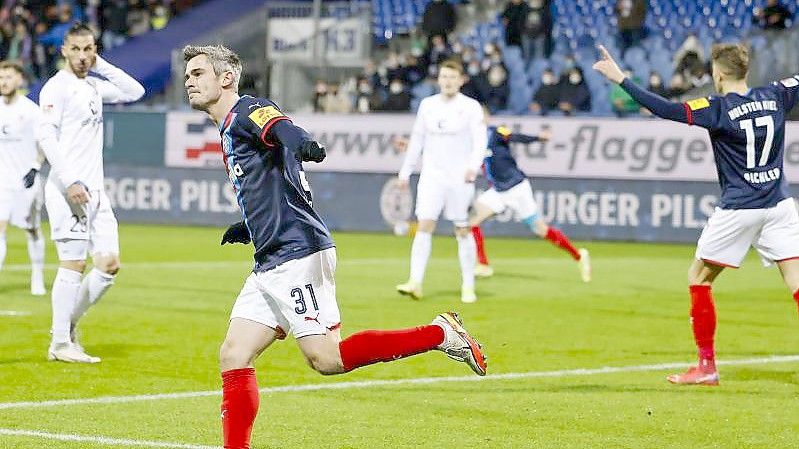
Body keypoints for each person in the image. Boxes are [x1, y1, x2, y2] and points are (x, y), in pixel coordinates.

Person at [182, 44, 487, 449]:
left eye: (198, 73)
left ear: (226, 78)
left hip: (297, 254)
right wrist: (251, 224)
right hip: (271, 254)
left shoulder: (246, 111)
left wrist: (302, 141)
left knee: (327, 359)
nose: (189, 80)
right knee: (233, 354)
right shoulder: (229, 128)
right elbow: (277, 182)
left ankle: (440, 333)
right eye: (187, 74)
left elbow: (279, 127)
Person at [593, 43, 799, 386]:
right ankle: (706, 368)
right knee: (796, 281)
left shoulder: (717, 108)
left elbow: (666, 109)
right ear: (745, 71)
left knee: (699, 278)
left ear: (718, 74)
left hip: (739, 208)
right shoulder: (777, 94)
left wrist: (621, 79)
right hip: (779, 206)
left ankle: (707, 367)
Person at [38, 23, 145, 363]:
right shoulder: (56, 88)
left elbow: (134, 91)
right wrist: (70, 181)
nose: (83, 57)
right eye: (76, 50)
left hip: (96, 191)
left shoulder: (94, 87)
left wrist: (101, 66)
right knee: (74, 262)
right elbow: (46, 138)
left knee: (109, 264)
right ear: (64, 51)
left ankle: (66, 325)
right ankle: (59, 343)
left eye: (89, 50)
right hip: (68, 189)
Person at [395, 60, 487, 303]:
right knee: (424, 225)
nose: (447, 81)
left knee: (462, 229)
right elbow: (417, 141)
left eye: (452, 77)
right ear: (439, 79)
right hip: (432, 176)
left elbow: (480, 141)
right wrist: (405, 172)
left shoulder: (471, 107)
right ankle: (415, 282)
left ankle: (468, 285)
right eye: (444, 77)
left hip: (460, 178)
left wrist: (473, 168)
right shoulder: (428, 105)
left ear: (461, 80)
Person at [470, 120, 591, 282]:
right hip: (498, 191)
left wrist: (538, 138)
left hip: (517, 187)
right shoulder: (471, 141)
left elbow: (514, 136)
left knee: (541, 230)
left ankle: (578, 255)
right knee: (473, 222)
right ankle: (483, 265)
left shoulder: (495, 132)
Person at [0, 60, 46, 295]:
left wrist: (35, 168)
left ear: (19, 79)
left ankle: (37, 275)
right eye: (1, 77)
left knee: (31, 228)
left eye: (8, 77)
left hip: (25, 180)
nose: (3, 81)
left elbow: (44, 144)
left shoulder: (31, 111)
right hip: (2, 181)